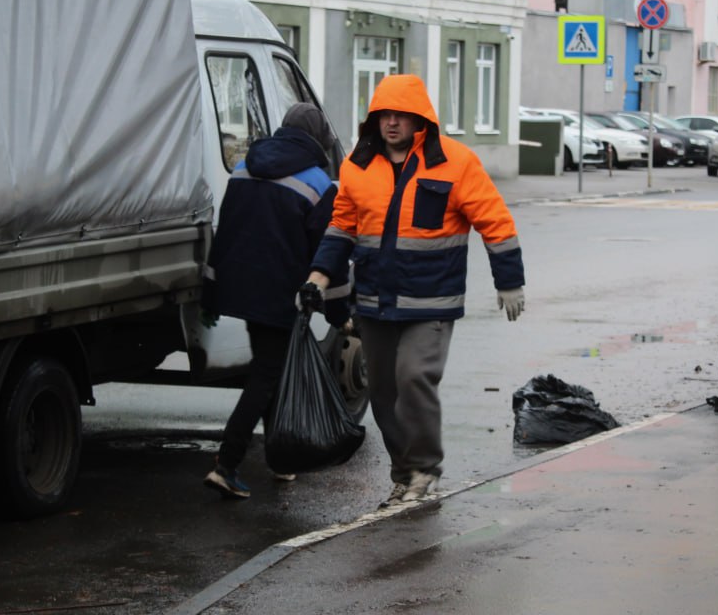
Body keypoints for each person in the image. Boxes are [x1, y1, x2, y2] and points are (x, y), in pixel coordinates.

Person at [300, 74, 525, 507]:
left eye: (401, 115)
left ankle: (425, 467)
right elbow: (341, 227)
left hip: (431, 301)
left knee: (415, 377)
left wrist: (509, 280)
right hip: (375, 301)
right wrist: (318, 279)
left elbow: (494, 220)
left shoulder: (455, 163)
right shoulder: (357, 166)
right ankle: (404, 474)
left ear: (421, 120)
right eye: (384, 115)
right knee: (383, 391)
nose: (391, 123)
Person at [200, 102, 349, 499]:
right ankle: (227, 463)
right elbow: (329, 252)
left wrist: (211, 292)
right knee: (267, 374)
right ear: (318, 139)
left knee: (271, 371)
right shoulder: (319, 184)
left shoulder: (245, 167)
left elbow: (225, 232)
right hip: (283, 295)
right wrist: (339, 313)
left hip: (243, 289)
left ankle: (279, 459)